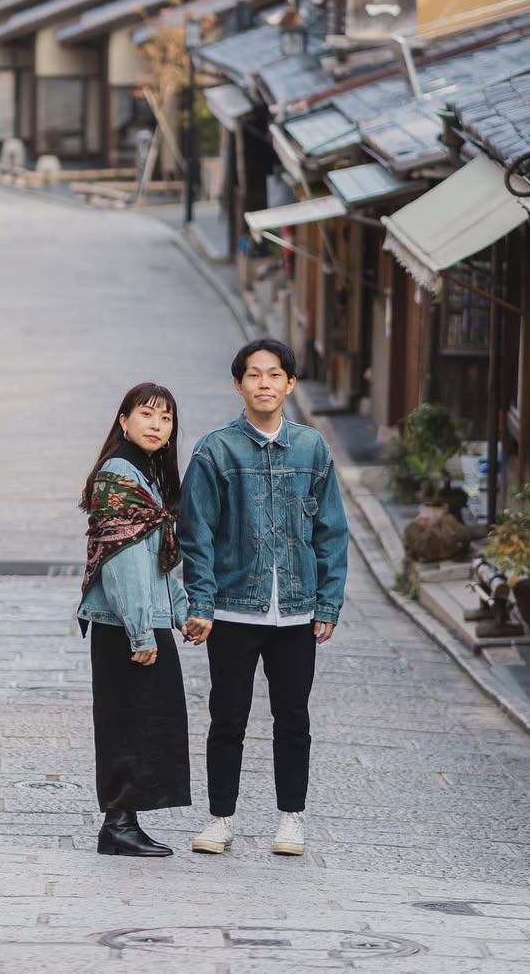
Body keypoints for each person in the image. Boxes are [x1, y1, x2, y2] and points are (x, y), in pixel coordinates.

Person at [178, 338, 348, 858]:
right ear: (238, 384)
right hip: (232, 607)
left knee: (293, 716)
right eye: (254, 375)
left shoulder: (312, 448)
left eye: (275, 375)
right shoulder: (215, 450)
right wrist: (201, 603)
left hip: (296, 611)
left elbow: (331, 530)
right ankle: (220, 820)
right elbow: (196, 532)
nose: (265, 384)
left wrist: (328, 603)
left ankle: (290, 820)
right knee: (227, 716)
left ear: (290, 383)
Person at [77, 382, 192, 857]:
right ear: (123, 421)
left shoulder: (147, 476)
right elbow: (123, 564)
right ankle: (117, 824)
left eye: (165, 419)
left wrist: (183, 614)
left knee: (150, 719)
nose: (156, 425)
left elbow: (160, 562)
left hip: (139, 621)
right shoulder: (120, 475)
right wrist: (141, 632)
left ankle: (127, 821)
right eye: (146, 414)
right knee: (128, 721)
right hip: (124, 625)